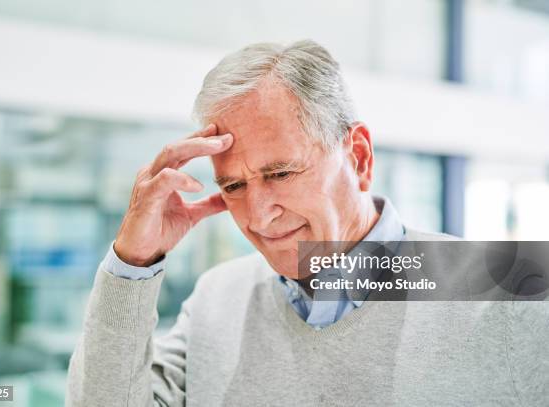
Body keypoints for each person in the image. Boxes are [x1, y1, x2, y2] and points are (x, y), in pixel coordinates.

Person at [65, 40, 547, 406]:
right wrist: (132, 264)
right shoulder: (217, 299)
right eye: (233, 186)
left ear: (358, 157)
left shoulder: (509, 290)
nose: (257, 215)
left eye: (280, 173)